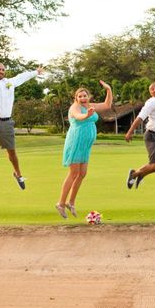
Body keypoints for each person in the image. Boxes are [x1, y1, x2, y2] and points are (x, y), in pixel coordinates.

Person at [55, 81, 113, 218]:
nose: (82, 98)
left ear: (88, 96)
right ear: (76, 98)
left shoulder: (90, 106)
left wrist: (109, 90)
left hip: (85, 145)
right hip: (75, 142)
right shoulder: (75, 107)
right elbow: (79, 116)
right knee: (73, 173)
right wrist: (87, 115)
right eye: (80, 96)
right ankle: (61, 203)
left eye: (84, 96)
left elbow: (107, 105)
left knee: (82, 173)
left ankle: (71, 202)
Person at [125, 77, 155, 188]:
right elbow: (140, 118)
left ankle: (141, 173)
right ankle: (134, 174)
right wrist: (130, 132)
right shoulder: (151, 102)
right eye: (152, 89)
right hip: (152, 135)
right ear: (150, 93)